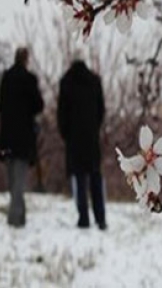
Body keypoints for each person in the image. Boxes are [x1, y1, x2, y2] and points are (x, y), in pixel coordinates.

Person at [0, 47, 44, 227]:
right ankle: (15, 219)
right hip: (24, 137)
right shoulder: (30, 80)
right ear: (26, 60)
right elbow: (39, 105)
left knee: (12, 179)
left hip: (6, 134)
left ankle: (19, 217)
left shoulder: (4, 78)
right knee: (19, 182)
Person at [57, 60, 106, 230]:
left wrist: (65, 133)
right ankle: (101, 218)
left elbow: (61, 112)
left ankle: (83, 216)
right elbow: (101, 110)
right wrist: (94, 128)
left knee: (79, 179)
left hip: (74, 138)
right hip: (91, 137)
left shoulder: (66, 83)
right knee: (95, 177)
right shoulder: (94, 81)